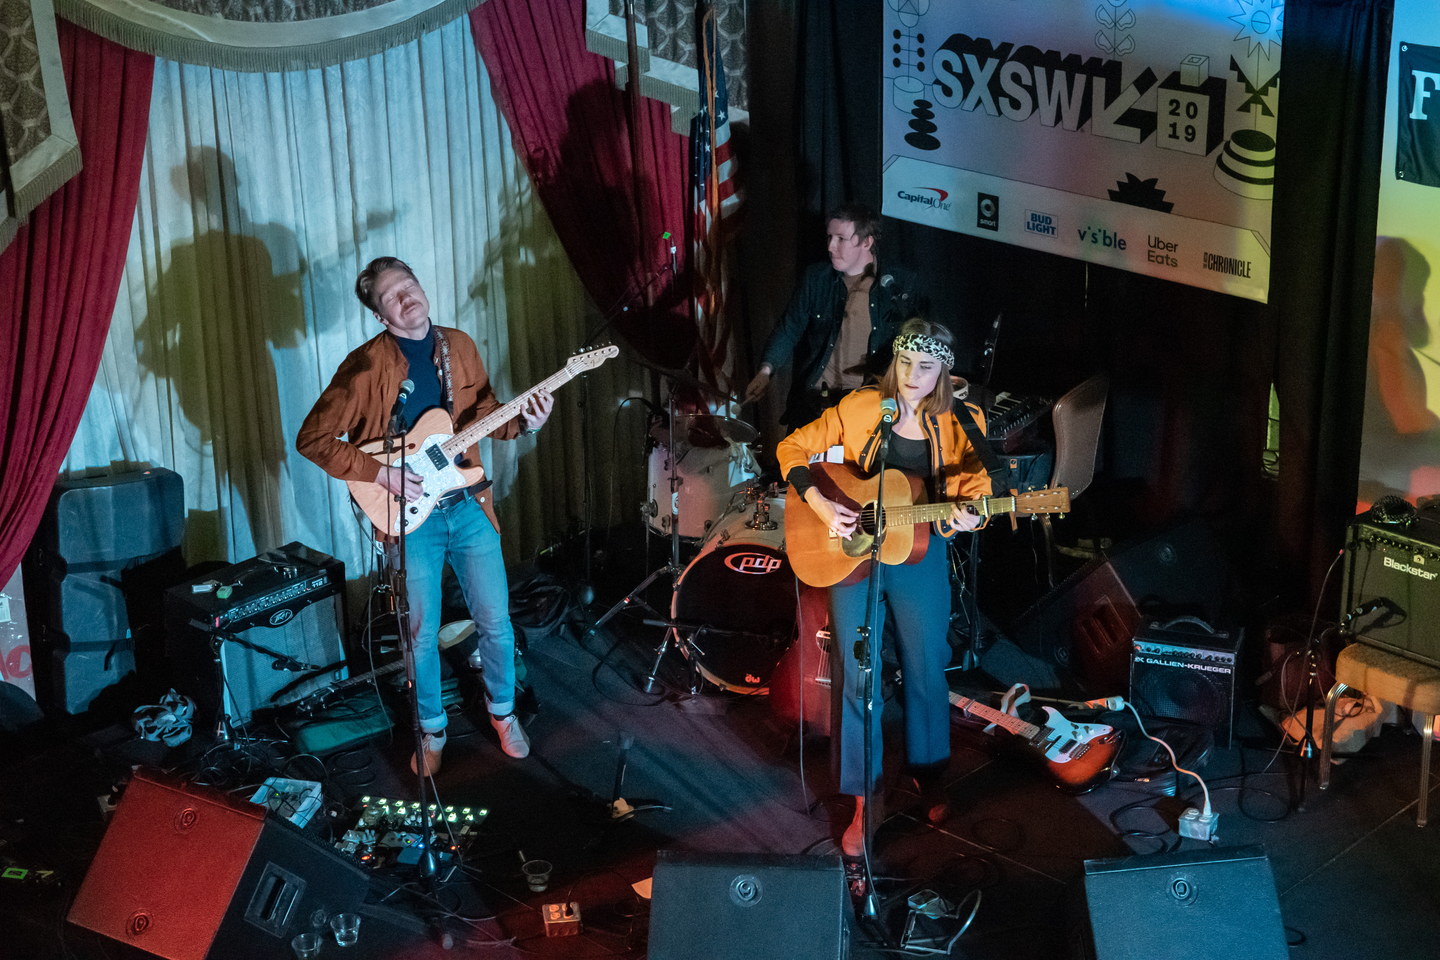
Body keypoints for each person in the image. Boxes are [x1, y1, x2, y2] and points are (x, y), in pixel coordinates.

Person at [297, 257, 553, 775]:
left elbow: (484, 415)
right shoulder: (364, 368)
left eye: (409, 285)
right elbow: (313, 439)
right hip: (411, 520)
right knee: (419, 635)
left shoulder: (458, 345)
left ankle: (504, 714)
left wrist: (526, 422)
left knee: (496, 622)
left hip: (469, 503)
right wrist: (380, 473)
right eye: (392, 296)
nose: (406, 297)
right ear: (380, 315)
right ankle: (432, 729)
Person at [776, 319, 990, 869]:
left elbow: (977, 487)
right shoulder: (862, 407)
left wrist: (968, 516)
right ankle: (865, 799)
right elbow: (792, 446)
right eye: (905, 363)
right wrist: (822, 503)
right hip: (854, 556)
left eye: (925, 366)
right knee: (857, 673)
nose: (912, 376)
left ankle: (928, 773)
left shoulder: (963, 421)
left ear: (943, 370)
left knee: (926, 666)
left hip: (919, 551)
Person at [745, 203, 924, 429]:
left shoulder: (900, 285)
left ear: (867, 242)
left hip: (865, 403)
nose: (830, 246)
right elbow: (789, 328)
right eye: (829, 237)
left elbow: (918, 344)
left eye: (841, 239)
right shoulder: (816, 278)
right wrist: (766, 370)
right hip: (815, 399)